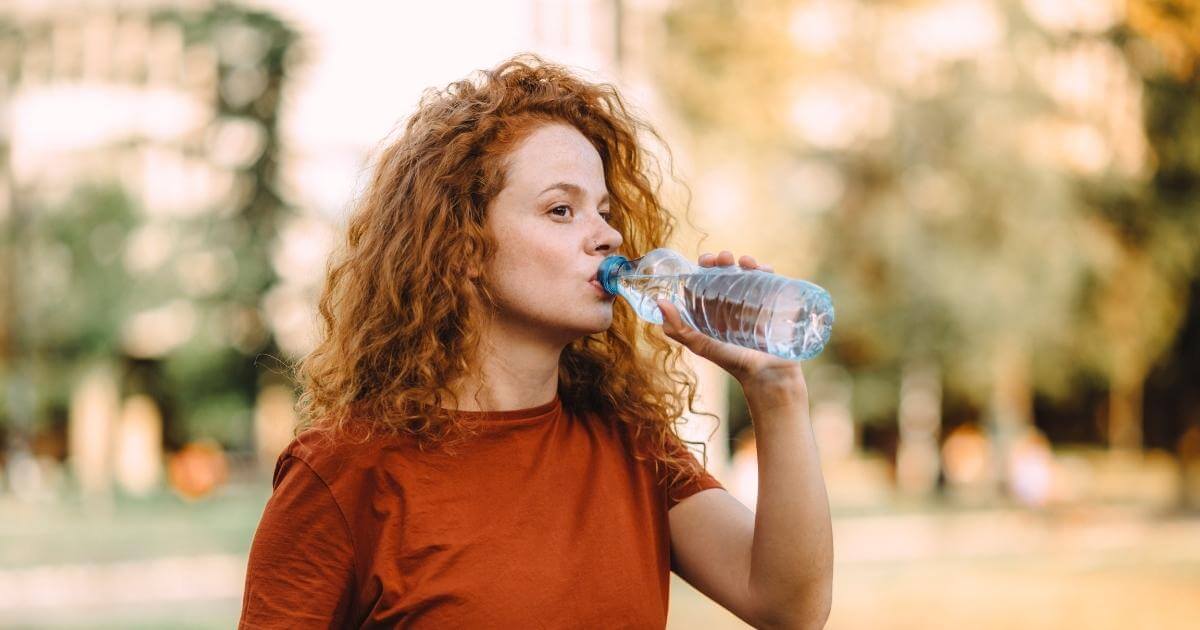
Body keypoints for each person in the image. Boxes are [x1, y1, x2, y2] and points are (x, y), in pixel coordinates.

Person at [238, 54, 833, 629]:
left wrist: (775, 388)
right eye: (560, 210)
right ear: (463, 246)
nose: (607, 235)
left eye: (602, 209)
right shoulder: (345, 471)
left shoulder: (629, 445)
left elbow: (788, 608)